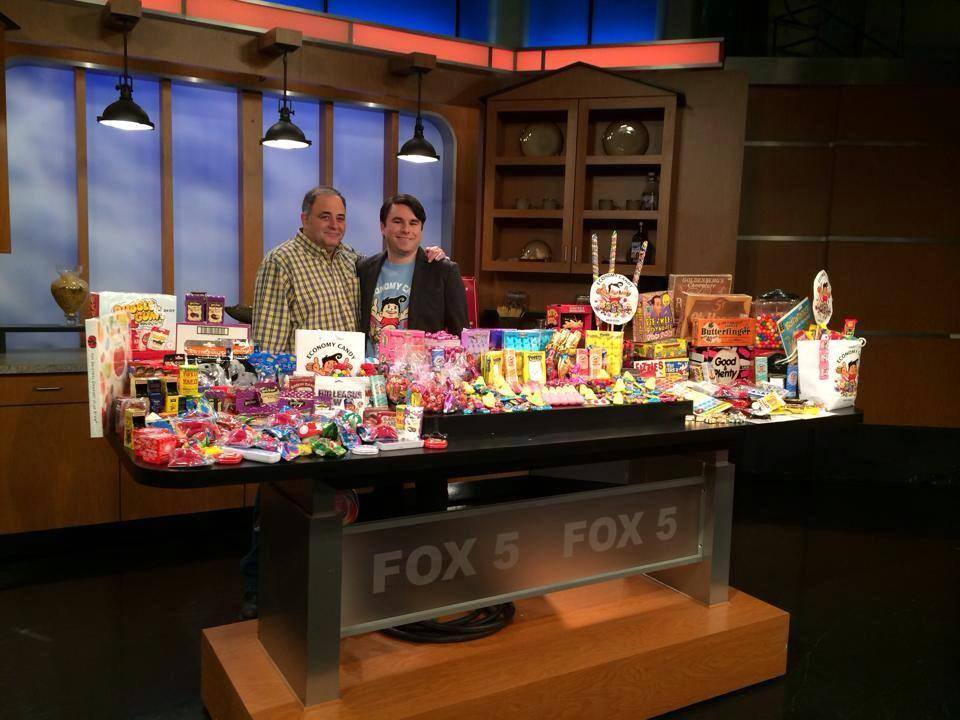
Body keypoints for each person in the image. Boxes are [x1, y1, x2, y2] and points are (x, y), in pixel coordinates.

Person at [242, 186, 446, 620]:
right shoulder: (281, 262)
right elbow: (270, 343)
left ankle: (333, 585)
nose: (333, 225)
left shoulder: (354, 262)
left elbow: (396, 265)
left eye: (339, 217)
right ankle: (261, 587)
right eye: (324, 217)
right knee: (284, 494)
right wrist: (282, 400)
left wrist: (434, 254)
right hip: (300, 398)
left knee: (335, 495)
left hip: (352, 397)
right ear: (304, 218)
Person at [358, 194, 468, 358]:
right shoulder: (364, 269)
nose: (406, 229)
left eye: (413, 223)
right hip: (369, 373)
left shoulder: (443, 271)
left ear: (421, 228)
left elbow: (460, 336)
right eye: (397, 221)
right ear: (383, 227)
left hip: (421, 379)